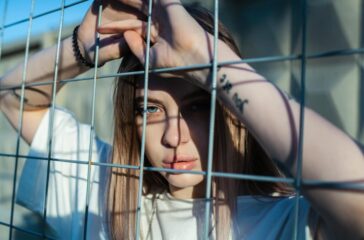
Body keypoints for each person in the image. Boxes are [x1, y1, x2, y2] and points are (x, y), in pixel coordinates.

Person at [0, 0, 363, 239]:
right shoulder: (106, 191)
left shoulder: (289, 220)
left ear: (229, 111)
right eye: (150, 109)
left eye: (197, 106)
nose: (174, 137)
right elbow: (12, 98)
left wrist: (204, 59)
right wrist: (82, 48)